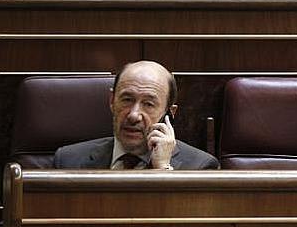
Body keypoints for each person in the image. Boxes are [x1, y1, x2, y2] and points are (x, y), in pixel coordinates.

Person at [53, 60, 219, 170]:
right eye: (127, 100)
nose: (134, 115)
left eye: (148, 104)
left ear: (169, 112)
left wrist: (162, 169)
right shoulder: (68, 161)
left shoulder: (200, 167)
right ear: (112, 101)